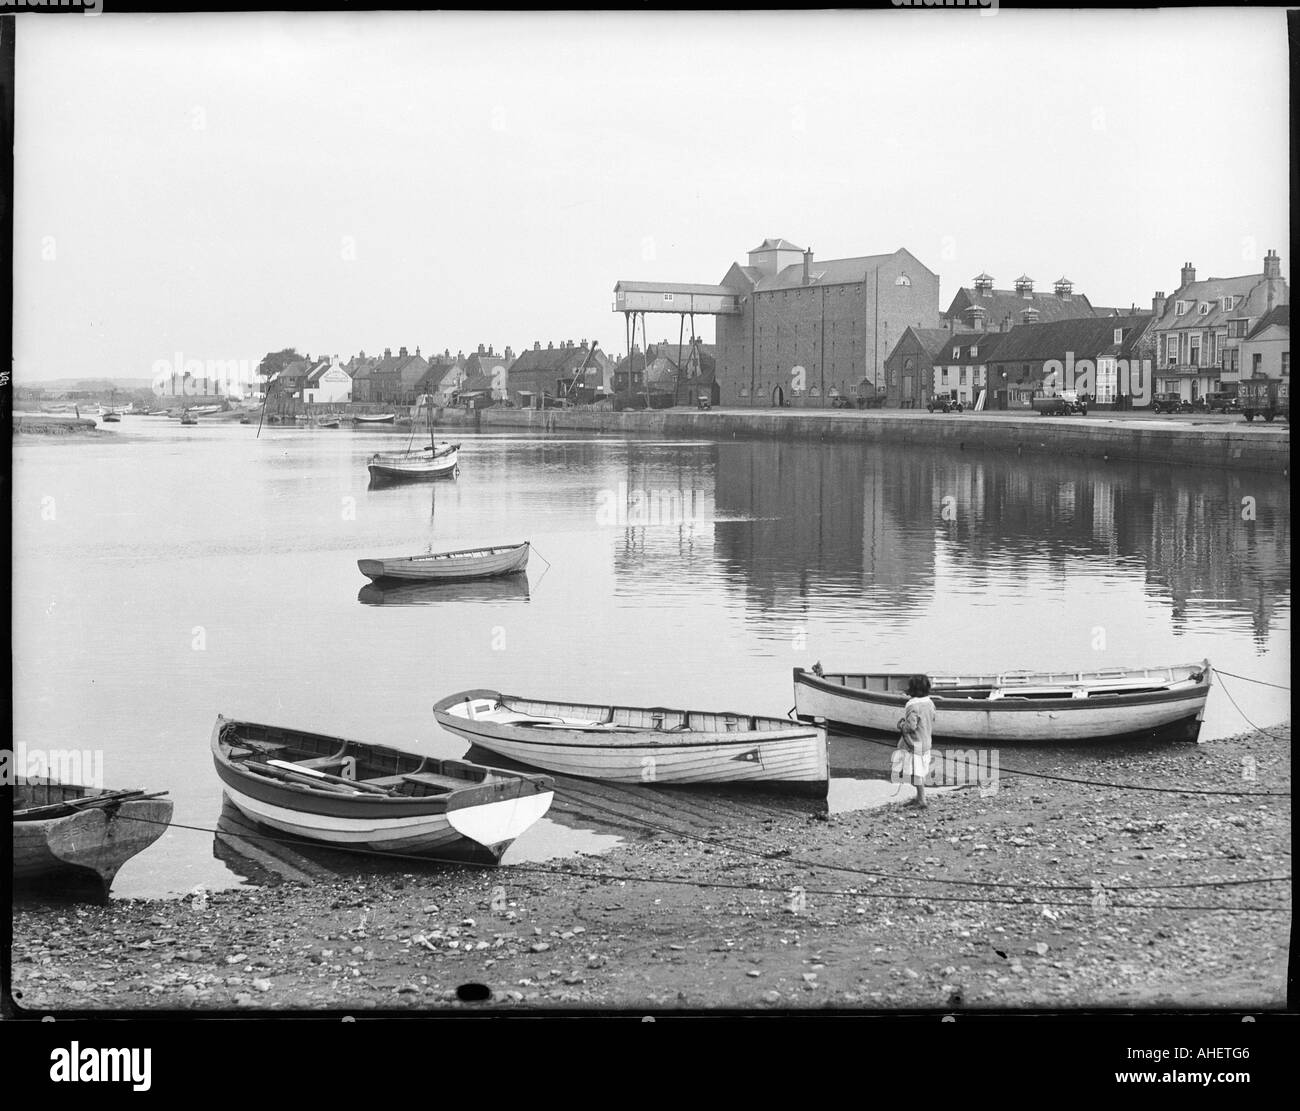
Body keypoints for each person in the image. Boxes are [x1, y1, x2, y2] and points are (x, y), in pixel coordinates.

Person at [896, 675, 936, 808]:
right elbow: (932, 718)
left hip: (914, 744)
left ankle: (921, 799)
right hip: (926, 741)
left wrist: (901, 725)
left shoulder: (912, 706)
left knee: (915, 773)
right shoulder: (930, 703)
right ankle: (919, 796)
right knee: (920, 771)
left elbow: (911, 727)